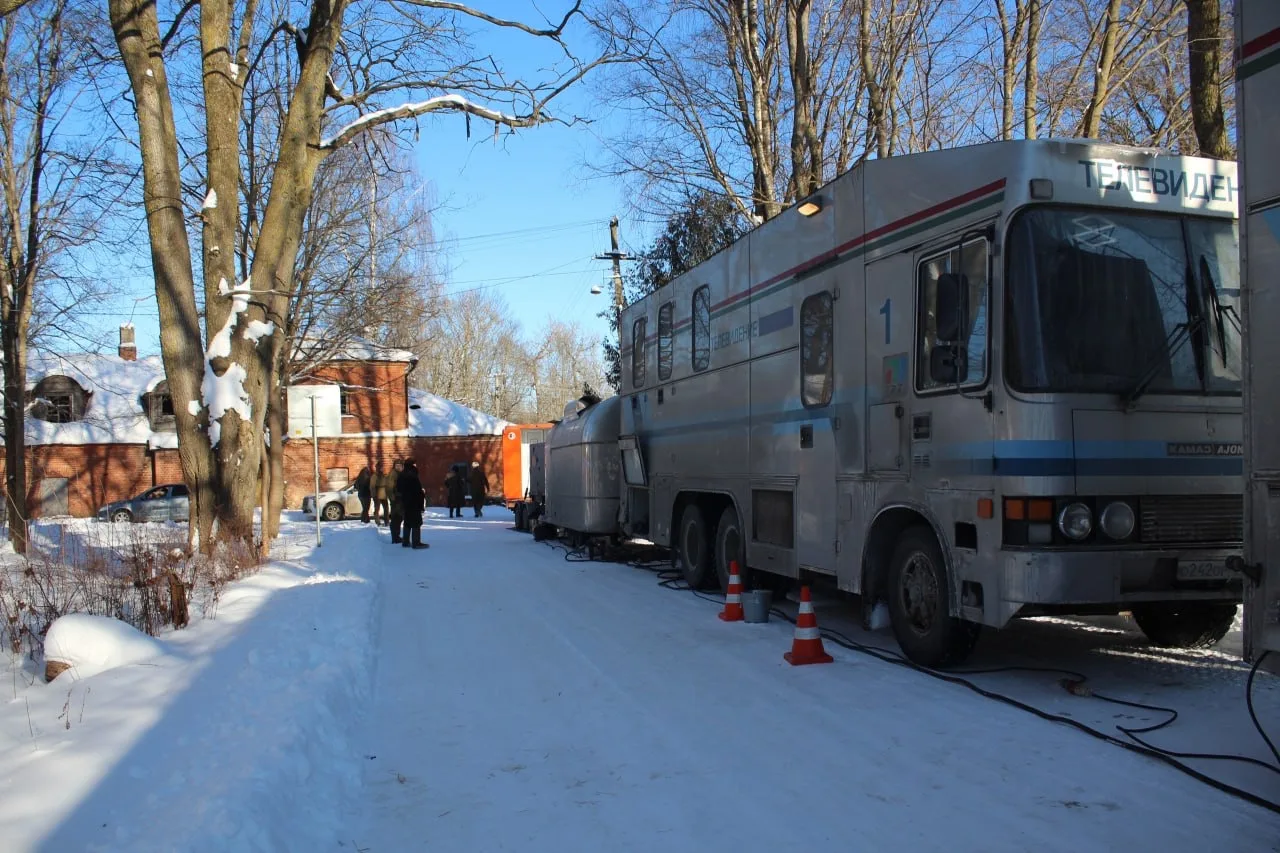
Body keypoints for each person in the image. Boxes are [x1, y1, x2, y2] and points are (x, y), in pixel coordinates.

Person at [395, 459, 429, 549]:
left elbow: (398, 488)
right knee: (416, 522)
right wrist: (421, 499)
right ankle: (416, 542)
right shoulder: (412, 475)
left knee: (407, 521)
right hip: (414, 502)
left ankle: (405, 541)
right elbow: (417, 490)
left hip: (405, 501)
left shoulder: (402, 475)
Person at [388, 460, 405, 543]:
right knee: (396, 518)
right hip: (396, 500)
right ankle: (395, 538)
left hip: (398, 499)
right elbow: (389, 488)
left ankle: (396, 537)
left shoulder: (399, 474)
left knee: (398, 518)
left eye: (400, 465)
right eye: (397, 465)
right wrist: (393, 498)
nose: (398, 467)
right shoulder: (393, 474)